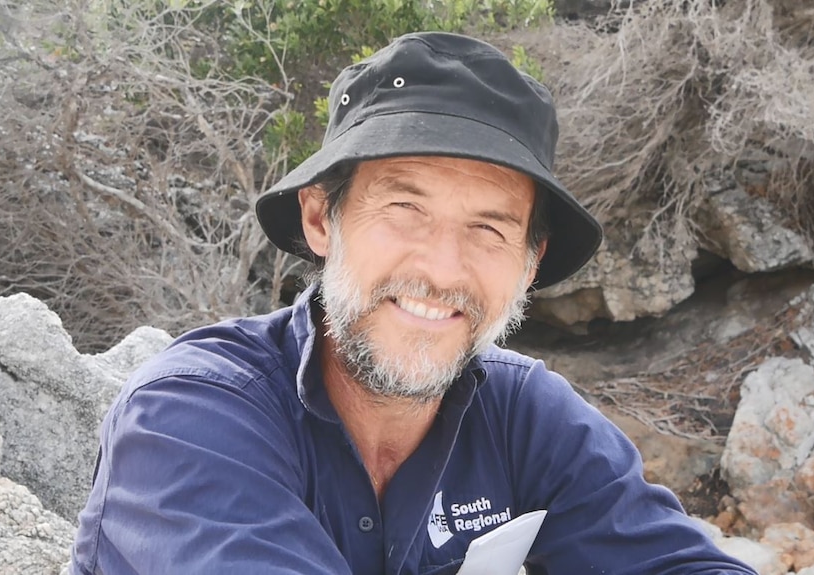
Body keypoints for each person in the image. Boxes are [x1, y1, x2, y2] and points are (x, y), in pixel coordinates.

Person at [71, 32, 758, 574]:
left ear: (529, 263)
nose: (440, 267)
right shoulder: (189, 415)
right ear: (320, 220)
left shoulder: (527, 418)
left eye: (489, 229)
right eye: (404, 208)